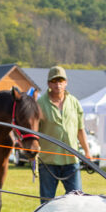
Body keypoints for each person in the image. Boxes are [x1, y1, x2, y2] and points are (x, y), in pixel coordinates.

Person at [36, 66, 90, 202]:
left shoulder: (74, 102)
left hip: (72, 160)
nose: (58, 84)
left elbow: (80, 130)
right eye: (54, 81)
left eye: (61, 81)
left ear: (66, 83)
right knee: (46, 202)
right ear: (49, 83)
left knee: (77, 200)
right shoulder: (40, 104)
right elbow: (34, 132)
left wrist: (87, 153)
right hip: (48, 162)